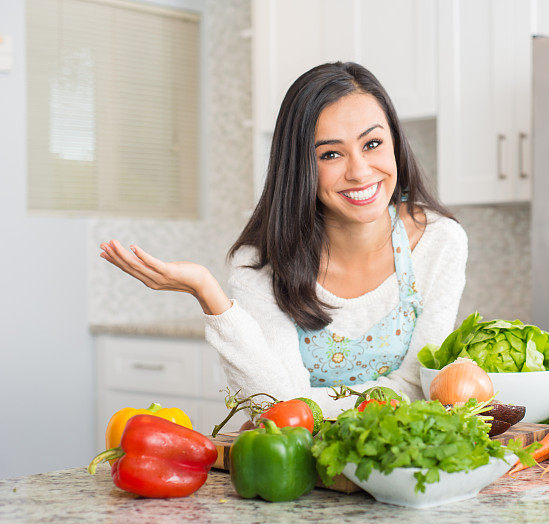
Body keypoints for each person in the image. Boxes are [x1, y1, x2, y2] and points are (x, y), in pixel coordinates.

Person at [99, 62, 468, 418]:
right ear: (300, 165)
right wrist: (208, 293)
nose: (359, 171)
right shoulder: (262, 262)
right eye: (331, 154)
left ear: (395, 145)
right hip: (289, 469)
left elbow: (419, 389)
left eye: (372, 144)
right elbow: (272, 407)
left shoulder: (439, 242)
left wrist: (305, 405)